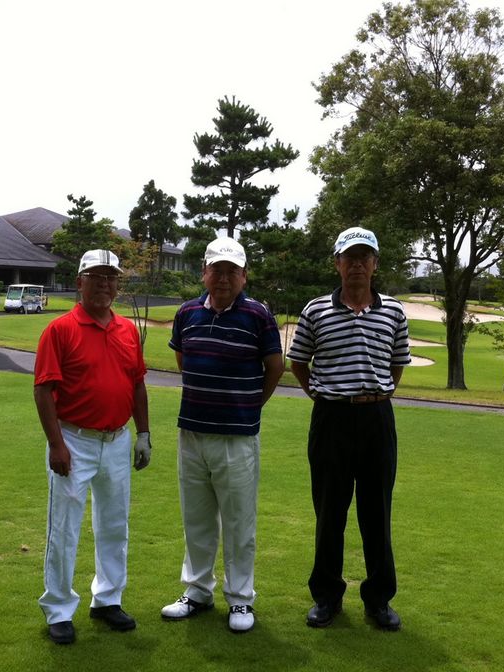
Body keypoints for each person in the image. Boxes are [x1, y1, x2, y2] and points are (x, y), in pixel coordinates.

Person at [286, 226, 411, 632]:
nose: (357, 264)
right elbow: (299, 362)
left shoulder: (394, 311)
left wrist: (378, 392)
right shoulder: (315, 310)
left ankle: (379, 599)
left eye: (364, 257)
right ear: (337, 263)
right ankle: (327, 597)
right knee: (330, 511)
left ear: (375, 264)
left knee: (377, 512)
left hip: (377, 419)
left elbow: (397, 363)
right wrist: (322, 395)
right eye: (349, 257)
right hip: (331, 419)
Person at [160, 236, 284, 633]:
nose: (224, 278)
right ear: (204, 272)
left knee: (238, 521)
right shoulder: (187, 312)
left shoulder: (258, 315)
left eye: (232, 271)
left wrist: (248, 406)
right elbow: (184, 358)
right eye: (217, 270)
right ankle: (197, 590)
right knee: (196, 518)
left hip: (237, 436)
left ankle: (240, 598)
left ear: (244, 275)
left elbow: (275, 367)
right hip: (192, 432)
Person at [33, 249, 152, 645]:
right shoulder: (60, 330)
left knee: (115, 525)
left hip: (117, 439)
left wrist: (144, 433)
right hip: (74, 440)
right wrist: (56, 444)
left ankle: (107, 599)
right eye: (96, 277)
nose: (104, 284)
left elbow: (137, 383)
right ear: (79, 282)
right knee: (64, 528)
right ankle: (58, 608)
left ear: (118, 285)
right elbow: (43, 390)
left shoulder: (127, 330)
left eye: (111, 277)